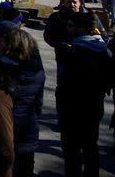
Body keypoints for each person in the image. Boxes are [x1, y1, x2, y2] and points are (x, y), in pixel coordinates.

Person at [56, 11, 114, 177]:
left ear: (81, 28)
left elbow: (67, 83)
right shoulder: (103, 49)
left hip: (74, 108)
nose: (67, 29)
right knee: (90, 146)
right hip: (95, 105)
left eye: (70, 26)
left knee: (71, 150)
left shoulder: (75, 52)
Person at [0, 28, 45, 177]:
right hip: (28, 124)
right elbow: (39, 101)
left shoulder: (1, 69)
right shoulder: (36, 69)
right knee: (25, 164)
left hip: (4, 124)